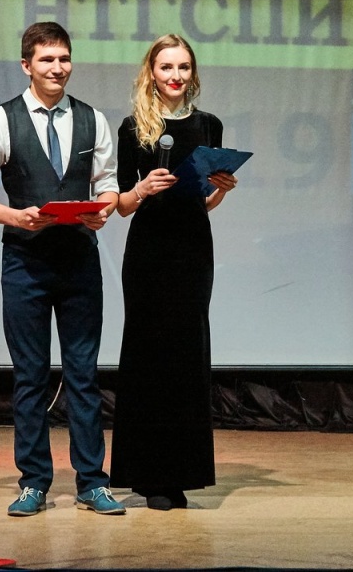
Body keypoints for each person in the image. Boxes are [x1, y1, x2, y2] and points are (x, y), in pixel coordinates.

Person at [0, 22, 126, 516]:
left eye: (64, 58)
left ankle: (92, 482)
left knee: (83, 375)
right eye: (47, 59)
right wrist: (16, 217)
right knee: (30, 376)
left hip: (79, 262)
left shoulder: (92, 119)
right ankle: (33, 482)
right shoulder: (1, 120)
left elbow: (109, 185)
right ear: (26, 65)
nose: (58, 68)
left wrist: (103, 210)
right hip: (25, 264)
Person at [108, 33, 238, 510]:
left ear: (193, 72)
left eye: (183, 67)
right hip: (148, 251)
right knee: (148, 355)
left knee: (187, 355)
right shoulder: (133, 128)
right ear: (152, 72)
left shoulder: (209, 125)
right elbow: (122, 206)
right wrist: (143, 189)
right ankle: (147, 475)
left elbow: (202, 202)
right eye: (167, 67)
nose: (175, 76)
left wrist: (221, 189)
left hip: (193, 251)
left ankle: (181, 473)